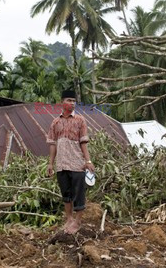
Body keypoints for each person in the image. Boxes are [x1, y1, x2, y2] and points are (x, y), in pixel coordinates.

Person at [46, 90, 95, 234]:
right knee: (66, 194)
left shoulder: (80, 120)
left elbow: (84, 142)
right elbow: (52, 144)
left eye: (74, 101)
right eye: (69, 100)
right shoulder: (55, 122)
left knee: (79, 193)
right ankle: (68, 219)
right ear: (62, 102)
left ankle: (77, 222)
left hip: (77, 163)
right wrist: (50, 164)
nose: (72, 103)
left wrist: (88, 161)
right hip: (61, 164)